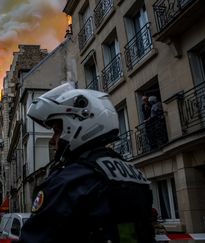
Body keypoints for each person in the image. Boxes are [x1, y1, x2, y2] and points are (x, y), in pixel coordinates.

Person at [19, 82, 155, 243]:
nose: (52, 141)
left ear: (76, 124)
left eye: (56, 131)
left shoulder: (70, 181)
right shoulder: (134, 174)